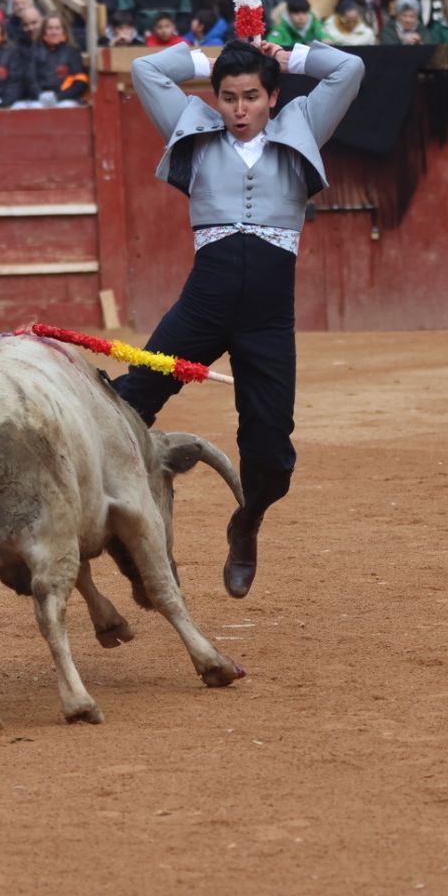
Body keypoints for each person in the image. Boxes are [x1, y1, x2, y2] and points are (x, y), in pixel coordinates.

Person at [118, 38, 365, 598]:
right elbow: (144, 68)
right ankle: (133, 533)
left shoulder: (303, 124)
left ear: (272, 98)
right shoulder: (192, 124)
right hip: (202, 308)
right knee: (129, 403)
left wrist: (289, 54)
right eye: (227, 97)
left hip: (267, 321)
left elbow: (350, 67)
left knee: (271, 448)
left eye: (251, 96)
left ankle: (247, 520)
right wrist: (206, 59)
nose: (238, 109)